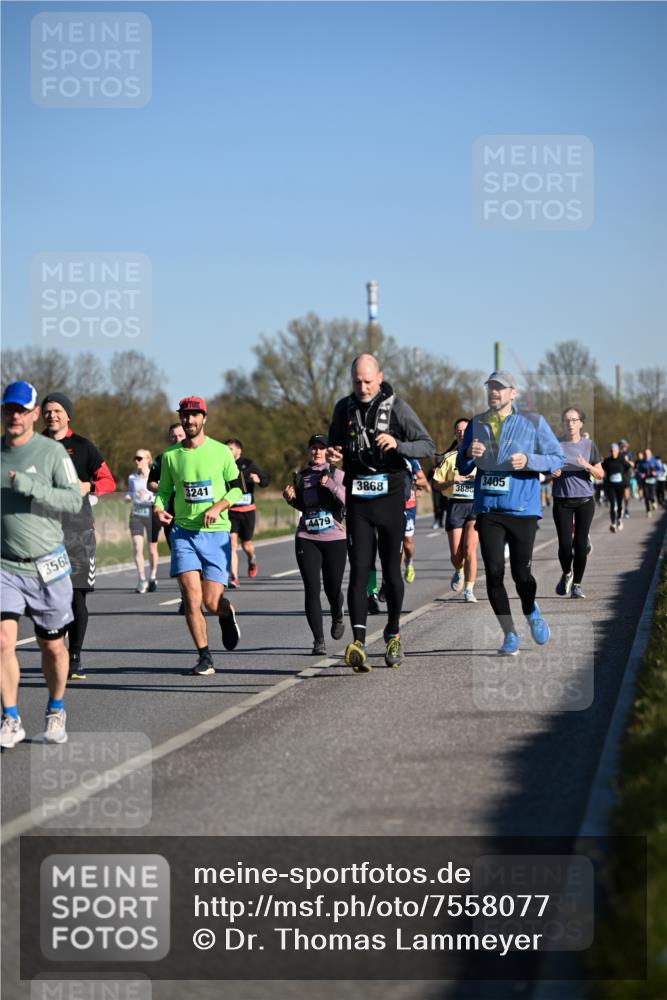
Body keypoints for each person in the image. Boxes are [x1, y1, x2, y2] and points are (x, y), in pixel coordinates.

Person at [327, 354, 434, 672]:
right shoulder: (343, 408)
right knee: (359, 570)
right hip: (358, 498)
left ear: (380, 377)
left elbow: (427, 445)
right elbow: (336, 448)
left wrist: (399, 445)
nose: (362, 387)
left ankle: (393, 635)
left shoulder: (397, 407)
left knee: (390, 571)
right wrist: (334, 454)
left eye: (368, 381)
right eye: (357, 381)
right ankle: (358, 642)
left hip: (390, 497)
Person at [457, 370, 565, 656]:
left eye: (501, 388)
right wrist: (468, 454)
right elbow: (462, 465)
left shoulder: (533, 422)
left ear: (513, 393)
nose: (494, 392)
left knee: (522, 576)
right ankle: (509, 634)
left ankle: (531, 611)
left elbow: (557, 458)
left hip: (522, 510)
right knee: (493, 573)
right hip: (489, 509)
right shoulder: (477, 423)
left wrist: (530, 460)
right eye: (491, 387)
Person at [1, 381, 83, 748]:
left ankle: (55, 709)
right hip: (5, 565)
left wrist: (32, 486)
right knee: (3, 639)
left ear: (34, 414)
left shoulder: (51, 453)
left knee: (51, 646)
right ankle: (11, 717)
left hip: (47, 564)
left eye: (21, 410)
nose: (14, 416)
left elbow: (71, 502)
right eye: (8, 409)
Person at [154, 395, 242, 675]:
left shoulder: (220, 452)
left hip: (216, 534)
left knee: (211, 603)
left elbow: (237, 489)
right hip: (183, 532)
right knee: (191, 598)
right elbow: (164, 490)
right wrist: (158, 508)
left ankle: (226, 614)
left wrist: (218, 506)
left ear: (204, 418)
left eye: (194, 415)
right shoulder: (171, 456)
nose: (189, 420)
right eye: (184, 415)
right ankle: (205, 657)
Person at [42, 391, 116, 680]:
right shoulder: (33, 446)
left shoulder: (83, 447)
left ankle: (74, 657)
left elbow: (108, 481)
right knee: (50, 597)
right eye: (48, 411)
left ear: (68, 415)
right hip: (43, 535)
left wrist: (89, 487)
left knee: (76, 597)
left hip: (79, 533)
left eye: (58, 410)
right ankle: (54, 651)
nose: (53, 415)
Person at [282, 434, 346, 655]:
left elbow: (349, 501)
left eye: (321, 448)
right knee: (312, 588)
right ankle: (318, 640)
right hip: (307, 537)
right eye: (313, 449)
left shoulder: (337, 474)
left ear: (327, 451)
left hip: (335, 538)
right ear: (309, 452)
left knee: (332, 587)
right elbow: (303, 505)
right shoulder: (302, 477)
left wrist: (331, 485)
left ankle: (338, 613)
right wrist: (290, 499)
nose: (317, 452)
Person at [551, 407, 603, 599]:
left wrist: (587, 465)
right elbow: (546, 471)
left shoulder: (589, 445)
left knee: (580, 545)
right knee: (565, 546)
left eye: (574, 420)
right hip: (562, 501)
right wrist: (551, 473)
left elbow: (600, 474)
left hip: (584, 501)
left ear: (581, 423)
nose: (570, 424)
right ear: (563, 423)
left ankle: (577, 585)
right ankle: (567, 573)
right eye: (567, 420)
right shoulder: (555, 444)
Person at [432, 418, 479, 602]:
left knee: (469, 550)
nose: (461, 433)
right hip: (455, 505)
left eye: (465, 430)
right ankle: (459, 570)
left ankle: (469, 589)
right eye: (458, 430)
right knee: (456, 555)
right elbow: (436, 484)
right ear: (455, 434)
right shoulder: (449, 457)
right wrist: (453, 481)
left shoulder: (481, 456)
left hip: (475, 505)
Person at [224, 439, 270, 587]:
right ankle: (234, 577)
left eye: (230, 449)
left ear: (239, 450)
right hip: (231, 510)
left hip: (247, 510)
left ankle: (252, 558)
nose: (228, 451)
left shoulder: (249, 464)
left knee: (246, 544)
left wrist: (258, 480)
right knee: (231, 543)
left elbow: (265, 480)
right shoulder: (223, 464)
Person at [125, 449, 157, 592]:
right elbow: (130, 493)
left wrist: (149, 498)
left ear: (148, 460)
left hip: (151, 512)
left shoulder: (155, 476)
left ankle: (153, 577)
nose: (136, 461)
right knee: (138, 548)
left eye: (139, 458)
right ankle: (142, 579)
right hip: (137, 513)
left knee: (152, 549)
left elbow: (162, 494)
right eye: (135, 458)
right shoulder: (132, 477)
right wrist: (128, 497)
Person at [402, 459, 430, 583]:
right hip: (391, 506)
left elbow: (423, 480)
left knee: (407, 542)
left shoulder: (411, 460)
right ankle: (392, 575)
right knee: (395, 543)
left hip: (408, 507)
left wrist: (411, 483)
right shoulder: (386, 456)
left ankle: (409, 563)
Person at [601, 443, 632, 532]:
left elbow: (628, 467)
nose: (613, 452)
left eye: (614, 450)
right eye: (611, 451)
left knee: (619, 504)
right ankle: (613, 523)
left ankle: (619, 519)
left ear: (618, 451)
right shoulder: (607, 461)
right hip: (610, 486)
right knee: (612, 505)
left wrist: (624, 476)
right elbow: (600, 467)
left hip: (620, 486)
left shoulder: (622, 460)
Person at [636, 447, 660, 517]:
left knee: (651, 495)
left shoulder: (655, 461)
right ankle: (648, 511)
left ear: (650, 453)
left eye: (648, 453)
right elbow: (638, 471)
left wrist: (656, 473)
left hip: (653, 480)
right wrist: (641, 474)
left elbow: (660, 469)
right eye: (645, 454)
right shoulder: (642, 462)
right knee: (646, 496)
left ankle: (653, 501)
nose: (647, 455)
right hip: (645, 481)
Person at [618, 439, 635, 517]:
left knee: (626, 493)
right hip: (618, 474)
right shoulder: (616, 453)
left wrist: (627, 461)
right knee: (618, 492)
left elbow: (633, 464)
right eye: (621, 445)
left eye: (624, 445)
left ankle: (626, 509)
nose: (623, 447)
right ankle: (619, 508)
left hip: (626, 474)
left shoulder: (629, 454)